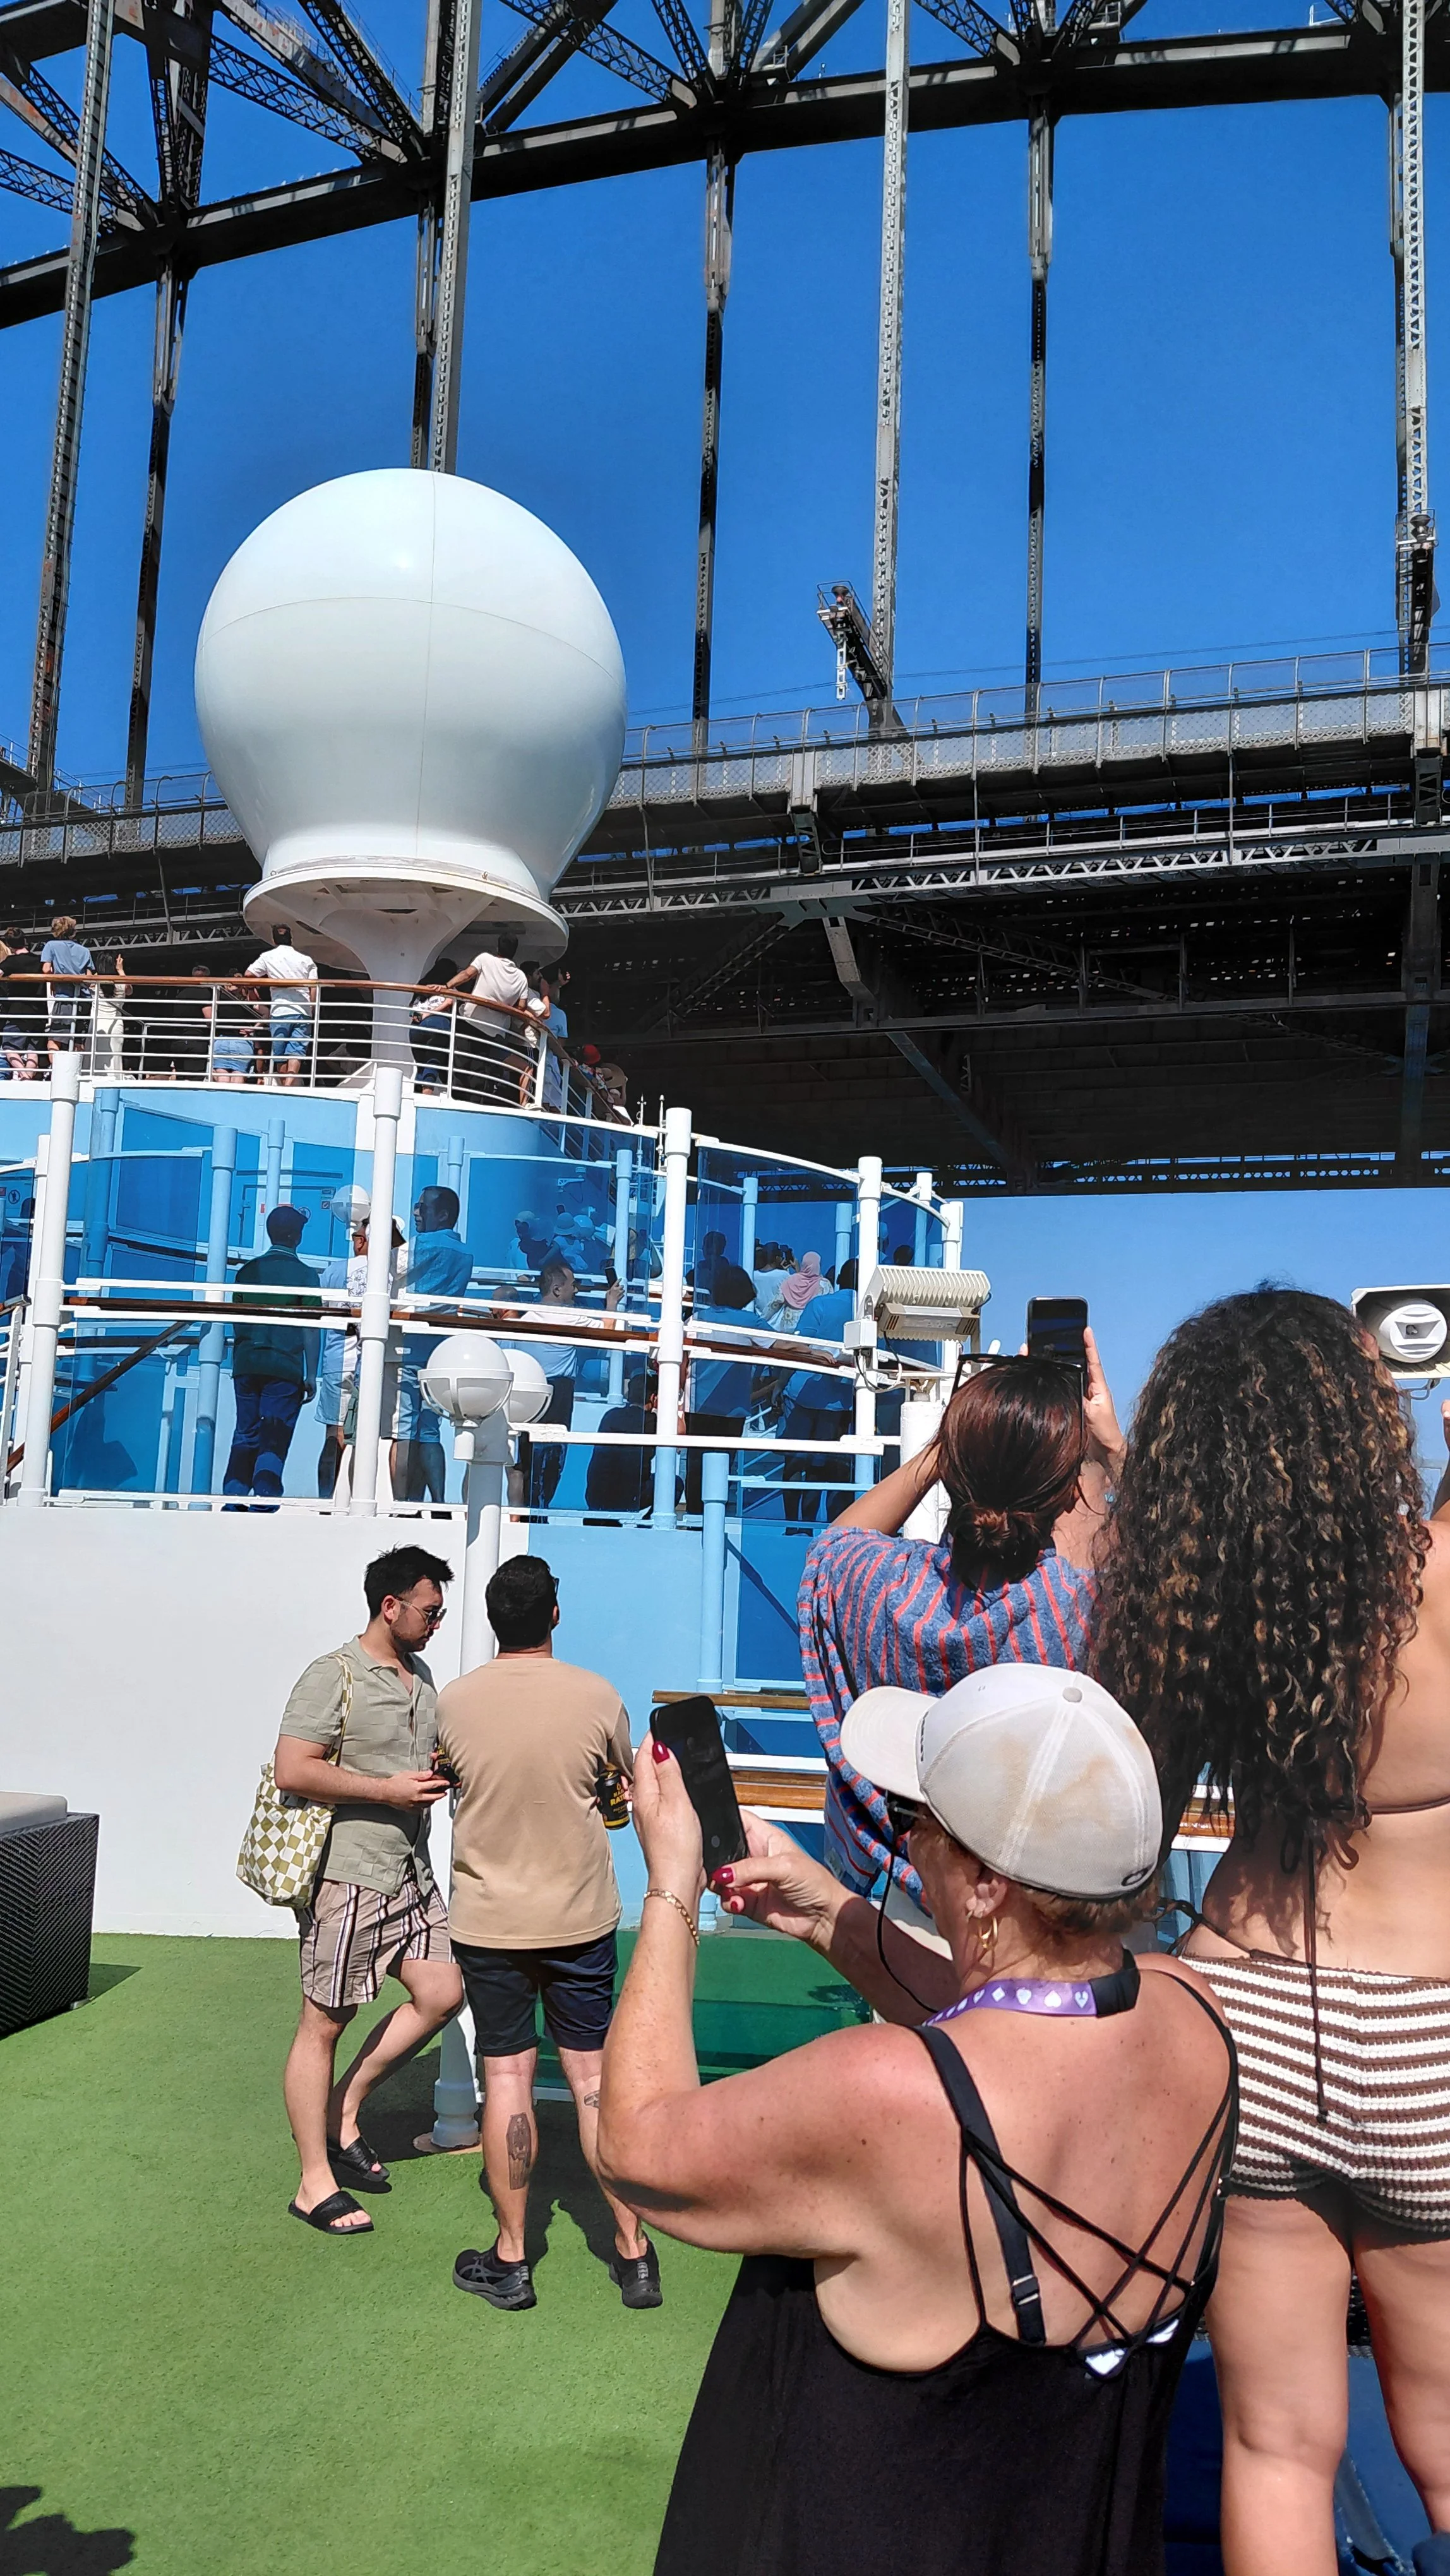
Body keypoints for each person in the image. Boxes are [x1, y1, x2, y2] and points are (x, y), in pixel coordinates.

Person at [597, 1664, 1236, 2576]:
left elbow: (636, 2144)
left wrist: (667, 1891)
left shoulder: (892, 2092)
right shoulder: (1194, 2016)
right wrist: (832, 1918)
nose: (906, 1846)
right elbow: (1022, 2027)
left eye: (914, 1826)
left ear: (983, 1882)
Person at [1091, 1288, 1450, 2576]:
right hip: (1427, 2034)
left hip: (1237, 2014)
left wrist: (1112, 1454)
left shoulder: (1202, 1606)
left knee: (1269, 2441)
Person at [800, 1340, 1122, 1916]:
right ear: (1069, 1490)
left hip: (910, 1896)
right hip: (1038, 1911)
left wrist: (944, 1447)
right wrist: (1116, 1452)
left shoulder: (883, 1586)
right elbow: (1184, 1579)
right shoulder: (1078, 1609)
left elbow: (833, 1546)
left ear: (952, 1465)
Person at [438, 1554, 660, 2311]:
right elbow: (621, 1788)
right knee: (594, 2080)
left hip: (490, 1919)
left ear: (497, 1618)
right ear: (554, 1616)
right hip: (578, 1914)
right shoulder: (597, 1697)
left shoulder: (455, 1702)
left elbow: (446, 1779)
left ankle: (512, 2257)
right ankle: (632, 2252)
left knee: (506, 2077)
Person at [273, 1546, 461, 2236]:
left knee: (443, 1991)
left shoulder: (422, 1676)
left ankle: (341, 2110)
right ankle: (311, 2182)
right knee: (323, 2023)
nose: (437, 1622)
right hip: (349, 1873)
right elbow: (293, 1767)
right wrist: (385, 1789)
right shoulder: (333, 1675)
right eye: (430, 1611)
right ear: (391, 1606)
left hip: (410, 1871)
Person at [508, 1253, 622, 1513]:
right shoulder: (569, 1317)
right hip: (557, 1392)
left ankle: (520, 1513)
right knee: (553, 1455)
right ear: (558, 1289)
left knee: (523, 1461)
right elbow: (608, 1334)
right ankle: (539, 1511)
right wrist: (611, 1302)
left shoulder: (527, 1318)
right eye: (572, 1284)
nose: (576, 1288)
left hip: (526, 1391)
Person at [223, 1204, 320, 1504]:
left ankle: (234, 1495)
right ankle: (264, 1495)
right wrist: (311, 1373)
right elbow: (310, 1329)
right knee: (275, 1433)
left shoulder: (247, 1272)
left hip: (247, 1361)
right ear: (297, 1236)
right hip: (285, 1366)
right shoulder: (306, 1276)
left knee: (246, 1429)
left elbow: (238, 1319)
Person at [394, 1184, 474, 1502]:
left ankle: (401, 1501)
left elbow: (388, 1266)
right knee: (430, 1430)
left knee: (402, 1428)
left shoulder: (425, 1244)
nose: (416, 1212)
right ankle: (438, 1500)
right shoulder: (465, 1253)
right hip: (440, 1348)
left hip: (407, 1346)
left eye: (421, 1207)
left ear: (442, 1215)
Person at [778, 1259, 856, 1528]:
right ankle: (818, 1528)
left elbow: (799, 1345)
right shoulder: (872, 1313)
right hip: (842, 1400)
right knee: (822, 1468)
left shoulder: (822, 1304)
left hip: (805, 1393)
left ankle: (793, 1525)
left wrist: (778, 1386)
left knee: (795, 1463)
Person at [685, 1260, 759, 1515]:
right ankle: (714, 1514)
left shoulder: (698, 1318)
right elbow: (784, 1345)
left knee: (696, 1464)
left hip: (698, 1402)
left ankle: (695, 1515)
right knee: (723, 1465)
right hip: (732, 1406)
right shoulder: (750, 1321)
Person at [447, 934, 529, 1100]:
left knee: (460, 1064)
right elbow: (521, 1007)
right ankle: (476, 1103)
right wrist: (503, 1009)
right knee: (481, 1070)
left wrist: (447, 986)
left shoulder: (485, 959)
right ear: (515, 953)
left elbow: (467, 974)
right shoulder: (521, 977)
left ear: (498, 948)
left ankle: (456, 1100)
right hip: (493, 1032)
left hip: (470, 1021)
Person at [244, 925, 317, 1087]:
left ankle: (285, 1084)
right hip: (303, 1010)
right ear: (291, 939)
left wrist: (252, 988)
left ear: (274, 940)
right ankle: (289, 1084)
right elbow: (314, 987)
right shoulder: (306, 959)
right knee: (297, 1051)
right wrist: (311, 1008)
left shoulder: (268, 957)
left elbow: (249, 975)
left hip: (280, 1010)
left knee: (280, 1051)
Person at [40, 915, 93, 1064]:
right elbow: (89, 978)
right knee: (77, 1041)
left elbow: (46, 969)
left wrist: (53, 982)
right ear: (73, 932)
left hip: (65, 998)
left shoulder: (51, 946)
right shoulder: (84, 950)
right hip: (84, 999)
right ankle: (74, 1071)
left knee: (54, 1040)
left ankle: (57, 1073)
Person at [0, 930, 44, 1081]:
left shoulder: (11, 962)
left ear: (9, 945)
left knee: (9, 1048)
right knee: (33, 1050)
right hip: (39, 1013)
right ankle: (29, 1078)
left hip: (18, 1011)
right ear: (25, 941)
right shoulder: (39, 960)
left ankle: (24, 1076)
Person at [410, 959, 458, 1095]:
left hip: (416, 1027)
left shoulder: (422, 985)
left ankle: (417, 1095)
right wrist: (431, 1014)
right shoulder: (447, 986)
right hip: (439, 1024)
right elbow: (450, 1001)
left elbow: (412, 1010)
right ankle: (427, 1094)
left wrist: (422, 1016)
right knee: (434, 1060)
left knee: (421, 1063)